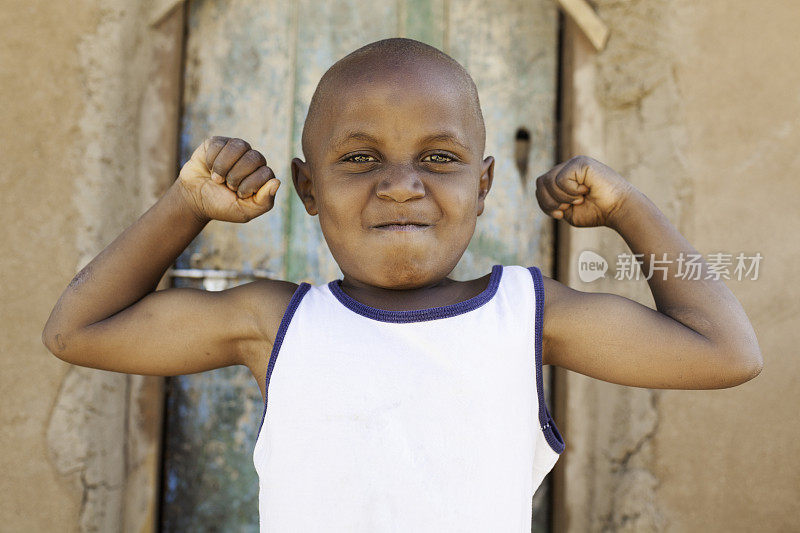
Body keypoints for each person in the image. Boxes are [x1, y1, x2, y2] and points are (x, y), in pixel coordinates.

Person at [42, 37, 762, 531]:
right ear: (308, 187)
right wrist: (186, 205)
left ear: (483, 185)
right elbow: (77, 330)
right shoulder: (276, 323)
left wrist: (632, 210)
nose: (400, 185)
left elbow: (725, 350)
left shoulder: (527, 314)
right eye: (359, 157)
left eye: (439, 156)